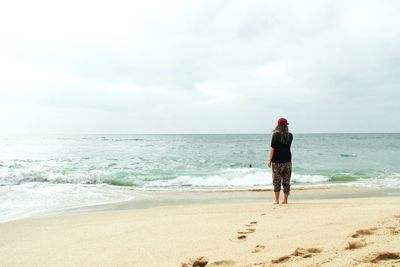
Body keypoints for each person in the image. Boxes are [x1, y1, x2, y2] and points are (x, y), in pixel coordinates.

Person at [267, 118, 293, 204]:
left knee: (276, 181)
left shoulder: (275, 135)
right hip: (287, 162)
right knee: (286, 181)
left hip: (276, 162)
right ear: (286, 126)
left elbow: (272, 150)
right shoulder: (290, 136)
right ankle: (285, 200)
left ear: (278, 125)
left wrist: (269, 160)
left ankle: (276, 200)